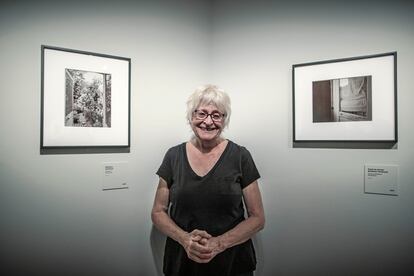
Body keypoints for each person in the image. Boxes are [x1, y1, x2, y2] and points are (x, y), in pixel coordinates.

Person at [151, 84, 265, 276]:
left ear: (224, 119)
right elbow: (158, 211)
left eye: (216, 115)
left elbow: (257, 218)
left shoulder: (240, 156)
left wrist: (218, 244)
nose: (208, 121)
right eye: (202, 114)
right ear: (191, 117)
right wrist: (185, 239)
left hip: (231, 261)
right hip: (182, 261)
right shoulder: (173, 156)